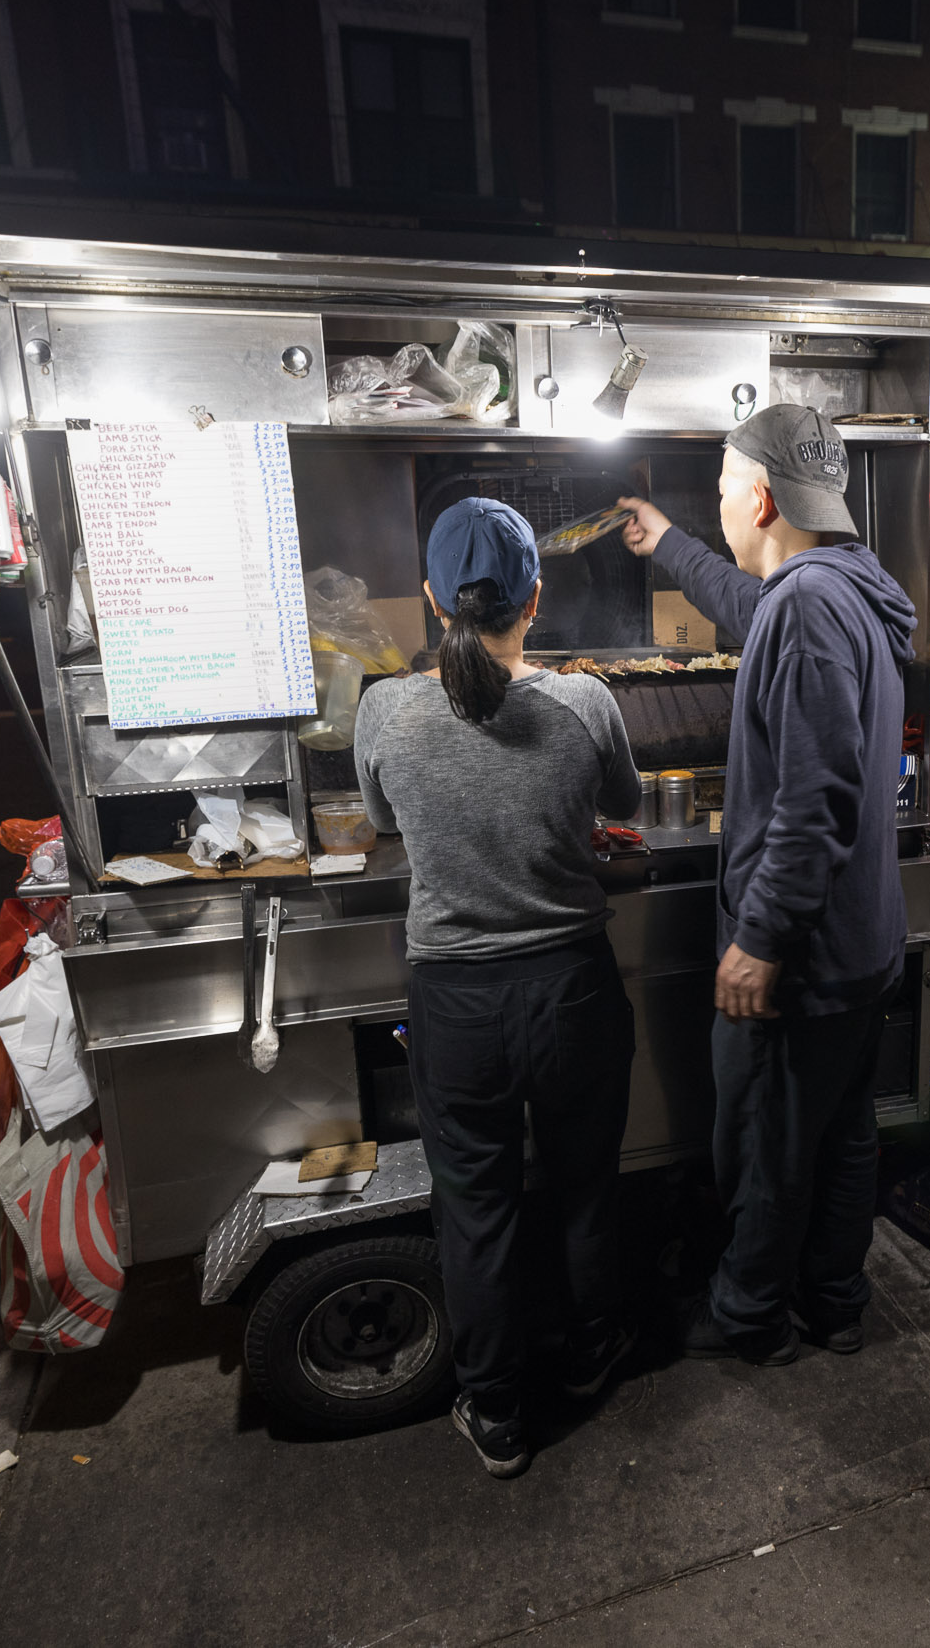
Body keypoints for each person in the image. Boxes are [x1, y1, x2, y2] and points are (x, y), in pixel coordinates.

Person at [618, 405, 919, 1367]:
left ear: (759, 495)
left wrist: (761, 937)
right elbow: (754, 606)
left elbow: (813, 797)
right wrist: (671, 545)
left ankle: (750, 1318)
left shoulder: (807, 609)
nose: (719, 507)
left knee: (763, 1146)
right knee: (839, 1138)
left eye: (718, 494)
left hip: (803, 957)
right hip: (863, 945)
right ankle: (834, 1303)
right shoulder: (846, 590)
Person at [353, 496, 643, 1478]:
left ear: (434, 596)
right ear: (537, 596)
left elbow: (384, 819)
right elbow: (621, 805)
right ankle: (591, 1356)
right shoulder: (586, 702)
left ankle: (497, 1411)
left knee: (475, 1207)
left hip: (457, 1005)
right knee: (584, 1190)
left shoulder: (383, 709)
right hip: (570, 990)